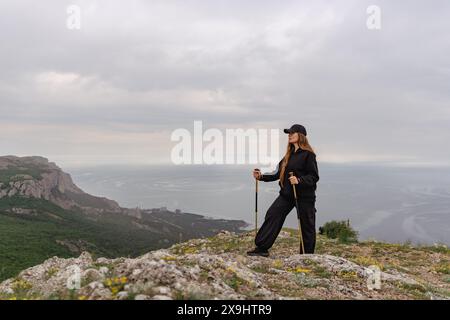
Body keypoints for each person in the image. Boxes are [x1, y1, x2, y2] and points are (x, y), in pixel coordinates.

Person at [247, 124, 319, 257]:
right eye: (288, 133)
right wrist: (261, 177)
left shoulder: (308, 155)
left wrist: (299, 180)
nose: (289, 135)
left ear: (300, 136)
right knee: (272, 214)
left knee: (306, 226)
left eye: (292, 133)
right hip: (287, 195)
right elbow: (277, 174)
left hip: (304, 197)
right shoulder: (288, 156)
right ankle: (262, 248)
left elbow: (314, 176)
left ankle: (306, 256)